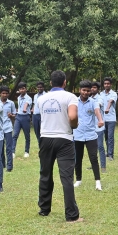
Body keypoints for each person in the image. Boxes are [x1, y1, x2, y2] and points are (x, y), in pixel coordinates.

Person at [37, 70, 82, 222]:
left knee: (45, 174)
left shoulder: (41, 99)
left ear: (50, 83)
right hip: (64, 139)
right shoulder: (70, 97)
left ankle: (44, 209)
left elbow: (38, 119)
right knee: (67, 178)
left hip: (46, 138)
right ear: (64, 83)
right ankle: (71, 215)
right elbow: (73, 116)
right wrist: (74, 125)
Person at [73, 80, 105, 190]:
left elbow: (97, 111)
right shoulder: (74, 101)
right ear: (79, 90)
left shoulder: (93, 102)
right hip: (77, 134)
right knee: (78, 158)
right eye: (84, 90)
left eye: (88, 90)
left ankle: (97, 182)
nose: (86, 92)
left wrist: (100, 120)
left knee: (93, 158)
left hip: (91, 135)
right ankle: (78, 180)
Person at [12, 82, 32, 158]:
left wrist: (24, 109)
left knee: (27, 135)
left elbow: (26, 104)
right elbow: (20, 107)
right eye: (20, 89)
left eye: (23, 88)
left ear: (26, 89)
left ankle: (26, 151)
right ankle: (13, 152)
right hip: (18, 117)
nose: (21, 90)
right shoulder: (19, 97)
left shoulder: (29, 98)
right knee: (15, 135)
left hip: (25, 117)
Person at [91, 82, 107, 173]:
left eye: (95, 87)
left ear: (97, 89)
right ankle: (93, 165)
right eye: (92, 88)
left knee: (100, 146)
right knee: (92, 148)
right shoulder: (89, 98)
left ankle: (103, 166)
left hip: (99, 126)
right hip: (91, 127)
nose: (93, 89)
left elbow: (99, 105)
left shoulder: (100, 98)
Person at [0, 86, 16, 172]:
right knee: (0, 147)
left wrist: (11, 116)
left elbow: (14, 115)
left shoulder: (11, 103)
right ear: (0, 93)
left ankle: (9, 166)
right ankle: (2, 164)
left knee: (9, 147)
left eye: (6, 93)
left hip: (8, 127)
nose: (5, 95)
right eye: (3, 93)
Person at [101, 77, 118, 161]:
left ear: (111, 84)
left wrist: (107, 108)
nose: (106, 85)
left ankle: (111, 154)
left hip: (111, 118)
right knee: (106, 137)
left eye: (108, 83)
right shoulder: (101, 94)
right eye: (105, 84)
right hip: (103, 119)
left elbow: (110, 101)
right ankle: (107, 152)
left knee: (110, 136)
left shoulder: (113, 94)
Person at [31, 81, 46, 147]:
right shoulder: (35, 96)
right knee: (36, 131)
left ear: (43, 88)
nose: (39, 88)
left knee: (42, 131)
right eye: (38, 87)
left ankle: (44, 144)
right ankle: (40, 144)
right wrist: (32, 109)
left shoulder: (46, 95)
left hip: (42, 115)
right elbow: (34, 104)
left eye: (41, 87)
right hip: (35, 115)